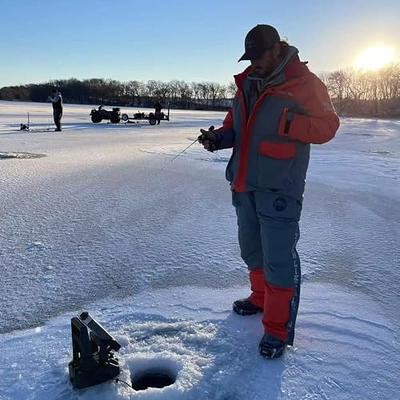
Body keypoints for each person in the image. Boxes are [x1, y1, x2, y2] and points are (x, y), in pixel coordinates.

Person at [198, 25, 340, 359]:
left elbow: (329, 126)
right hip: (245, 182)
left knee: (278, 258)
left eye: (259, 55)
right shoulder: (246, 82)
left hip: (280, 186)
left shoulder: (305, 84)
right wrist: (218, 138)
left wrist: (291, 124)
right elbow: (235, 123)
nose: (255, 62)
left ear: (277, 49)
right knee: (252, 249)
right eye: (250, 57)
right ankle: (259, 298)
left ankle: (276, 330)